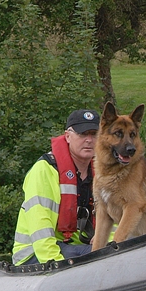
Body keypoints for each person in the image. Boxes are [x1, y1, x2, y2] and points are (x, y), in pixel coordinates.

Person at [12, 109, 100, 265]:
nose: (89, 140)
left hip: (73, 246)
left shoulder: (101, 172)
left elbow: (112, 218)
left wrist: (109, 243)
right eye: (82, 134)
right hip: (35, 253)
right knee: (98, 256)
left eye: (94, 134)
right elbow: (40, 225)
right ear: (67, 136)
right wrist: (56, 264)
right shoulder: (45, 170)